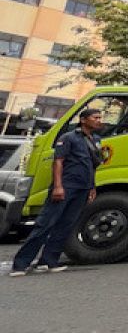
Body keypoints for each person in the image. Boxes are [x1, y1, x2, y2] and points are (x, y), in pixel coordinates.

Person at [9, 108, 104, 276]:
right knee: (45, 224)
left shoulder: (95, 140)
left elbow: (92, 166)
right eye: (95, 117)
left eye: (99, 117)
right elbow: (58, 162)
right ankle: (20, 264)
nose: (99, 120)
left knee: (65, 226)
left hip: (82, 188)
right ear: (83, 120)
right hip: (66, 186)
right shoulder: (69, 138)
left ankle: (48, 261)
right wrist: (58, 186)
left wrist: (92, 187)